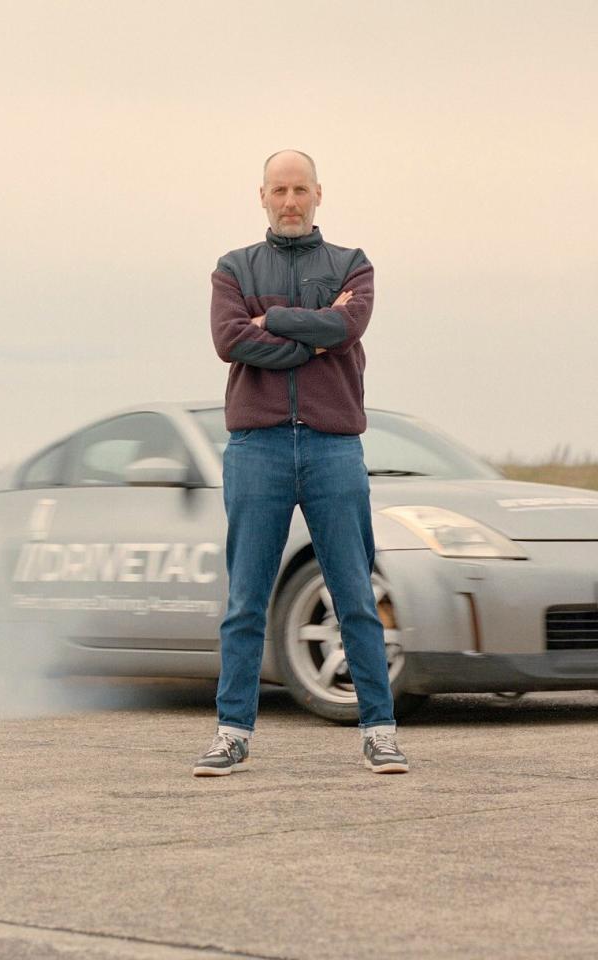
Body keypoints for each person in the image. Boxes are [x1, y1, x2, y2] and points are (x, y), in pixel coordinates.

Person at [193, 149, 408, 777]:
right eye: (279, 190)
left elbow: (349, 326)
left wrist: (278, 323)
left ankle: (380, 730)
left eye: (301, 190)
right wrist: (309, 339)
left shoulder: (353, 264)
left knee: (355, 595)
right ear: (260, 195)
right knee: (246, 601)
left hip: (333, 447)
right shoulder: (233, 268)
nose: (290, 201)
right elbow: (230, 340)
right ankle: (232, 732)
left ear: (320, 194)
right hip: (255, 448)